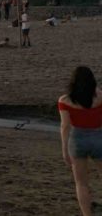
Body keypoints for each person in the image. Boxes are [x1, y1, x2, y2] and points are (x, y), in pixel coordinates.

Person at [58, 66, 102, 215]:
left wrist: (64, 149)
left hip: (77, 140)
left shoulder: (65, 100)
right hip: (97, 137)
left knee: (81, 183)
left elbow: (65, 126)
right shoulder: (100, 97)